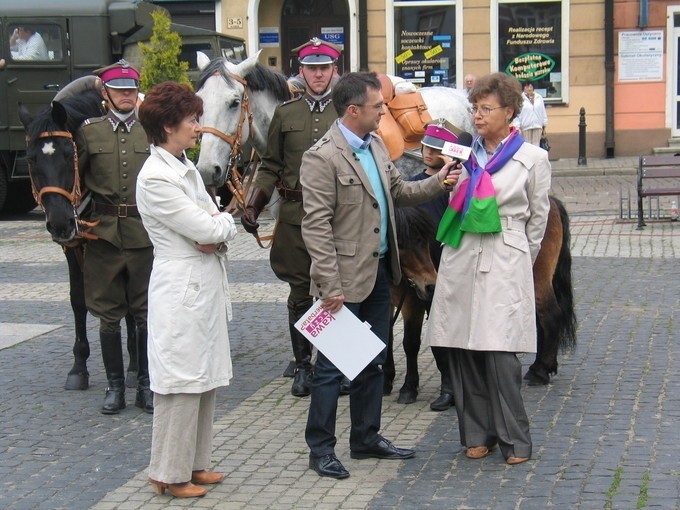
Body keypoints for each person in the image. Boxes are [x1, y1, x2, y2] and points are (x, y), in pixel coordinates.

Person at [300, 71, 462, 479]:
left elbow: (400, 194)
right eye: (377, 107)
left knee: (372, 360)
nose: (382, 113)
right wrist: (330, 287)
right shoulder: (321, 157)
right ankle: (320, 450)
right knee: (331, 370)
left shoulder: (375, 145)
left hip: (379, 274)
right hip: (342, 282)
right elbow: (315, 227)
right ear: (353, 110)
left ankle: (366, 438)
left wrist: (439, 181)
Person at [425, 72, 551, 465]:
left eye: (486, 109)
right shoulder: (463, 154)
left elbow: (539, 219)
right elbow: (451, 206)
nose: (477, 116)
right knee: (462, 346)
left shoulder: (533, 158)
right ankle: (477, 434)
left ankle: (516, 440)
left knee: (499, 350)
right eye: (474, 108)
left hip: (504, 253)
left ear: (509, 112)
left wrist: (517, 259)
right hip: (461, 253)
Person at [136, 81, 238, 499]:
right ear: (167, 126)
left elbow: (212, 225)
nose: (198, 127)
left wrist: (218, 228)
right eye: (192, 120)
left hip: (202, 283)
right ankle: (169, 472)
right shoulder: (156, 176)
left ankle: (196, 463)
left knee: (203, 378)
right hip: (180, 288)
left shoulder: (184, 167)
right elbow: (206, 226)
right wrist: (222, 226)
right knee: (179, 381)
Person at [241, 37, 347, 398]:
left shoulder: (348, 112)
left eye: (324, 68)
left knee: (336, 291)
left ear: (335, 70)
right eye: (311, 68)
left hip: (338, 219)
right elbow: (271, 164)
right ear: (301, 71)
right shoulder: (286, 114)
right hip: (295, 217)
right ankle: (304, 365)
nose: (318, 74)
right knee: (300, 293)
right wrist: (254, 203)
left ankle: (337, 363)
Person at [75, 60, 154, 415]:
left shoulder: (151, 131)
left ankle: (146, 385)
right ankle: (115, 386)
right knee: (108, 316)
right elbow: (75, 182)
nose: (126, 95)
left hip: (143, 233)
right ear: (105, 94)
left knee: (145, 314)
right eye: (119, 90)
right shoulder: (89, 132)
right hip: (103, 234)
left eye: (131, 89)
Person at [409, 122, 458, 411]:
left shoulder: (452, 183)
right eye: (426, 146)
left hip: (444, 261)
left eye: (436, 149)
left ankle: (450, 385)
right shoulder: (414, 181)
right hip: (419, 263)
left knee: (444, 327)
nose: (428, 152)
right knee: (432, 324)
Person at [518, 80, 548, 146]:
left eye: (531, 86)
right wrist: (517, 127)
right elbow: (518, 114)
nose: (529, 88)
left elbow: (542, 110)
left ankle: (535, 157)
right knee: (527, 146)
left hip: (537, 126)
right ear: (523, 88)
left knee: (536, 146)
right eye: (527, 87)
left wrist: (544, 123)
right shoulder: (520, 99)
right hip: (526, 127)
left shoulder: (538, 97)